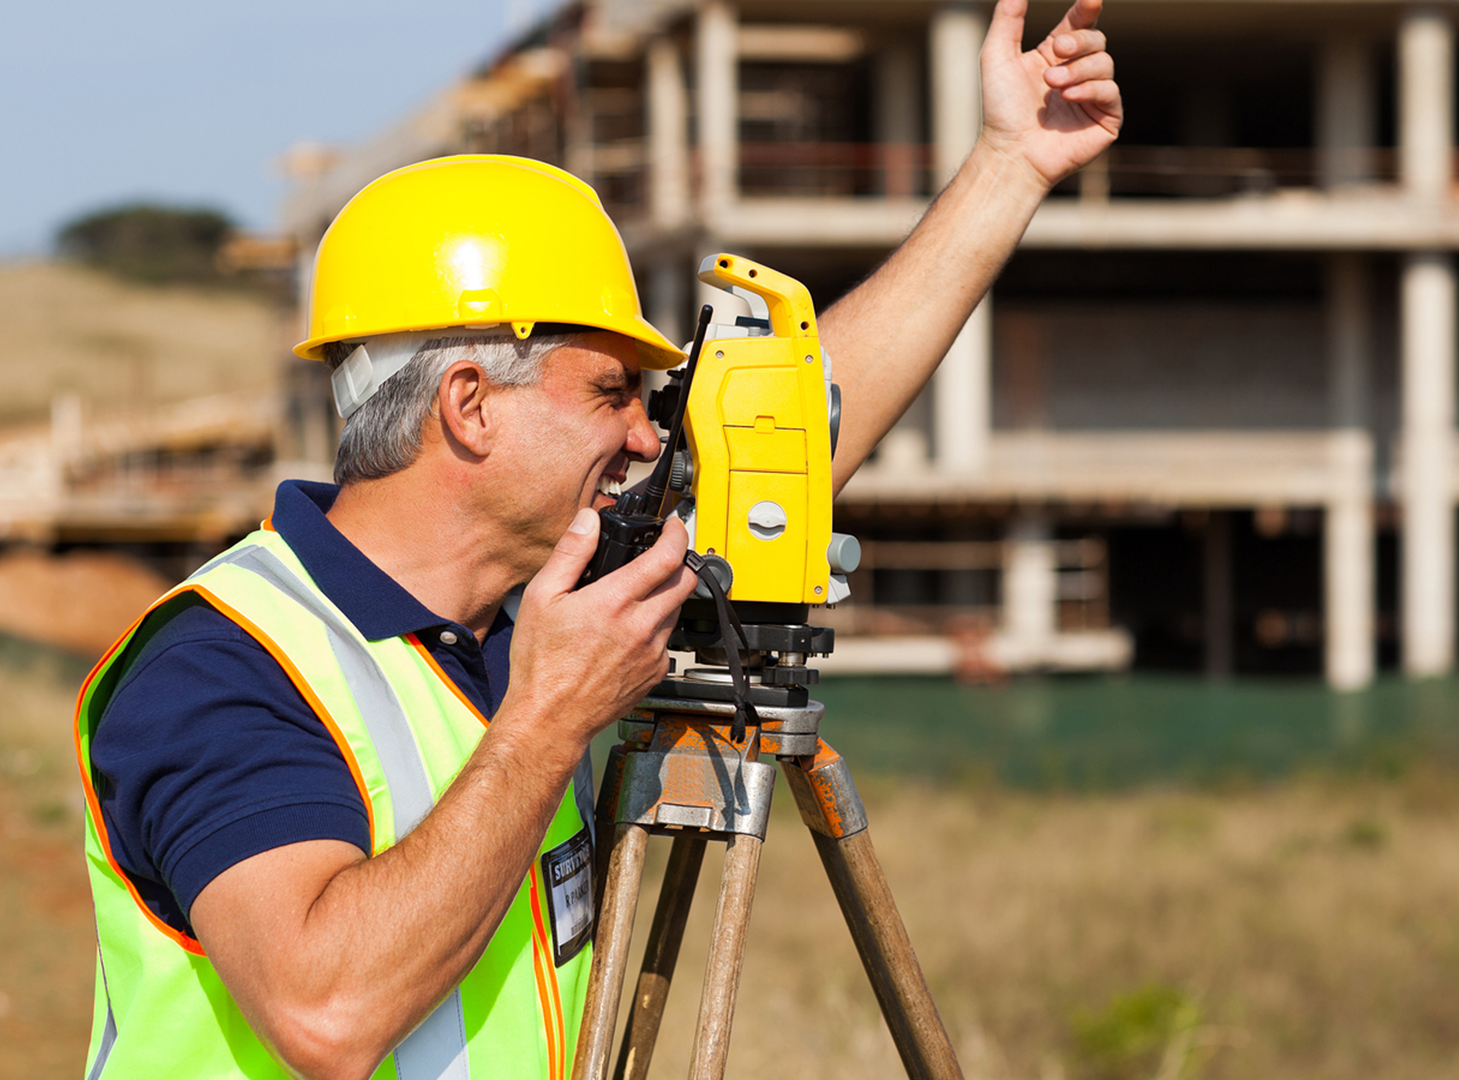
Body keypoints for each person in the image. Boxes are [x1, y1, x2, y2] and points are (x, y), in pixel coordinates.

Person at [74, 1, 1120, 1077]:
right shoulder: (224, 664)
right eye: (612, 392)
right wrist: (549, 716)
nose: (641, 434)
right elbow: (325, 1014)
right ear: (470, 404)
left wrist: (1010, 166)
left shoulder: (549, 596)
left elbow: (779, 451)